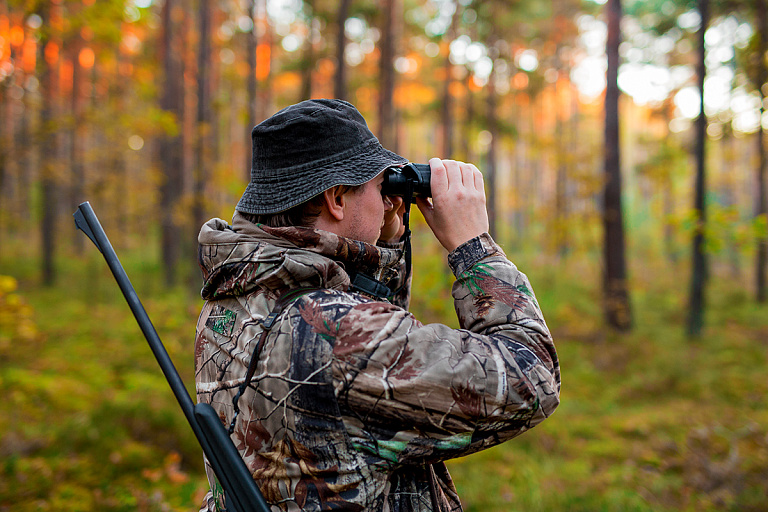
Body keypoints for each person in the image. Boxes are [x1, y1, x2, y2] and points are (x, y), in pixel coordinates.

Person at [194, 99, 560, 512]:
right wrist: (474, 250)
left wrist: (382, 246)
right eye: (377, 185)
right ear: (336, 197)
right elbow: (532, 379)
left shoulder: (236, 294)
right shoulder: (340, 333)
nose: (388, 200)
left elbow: (364, 350)